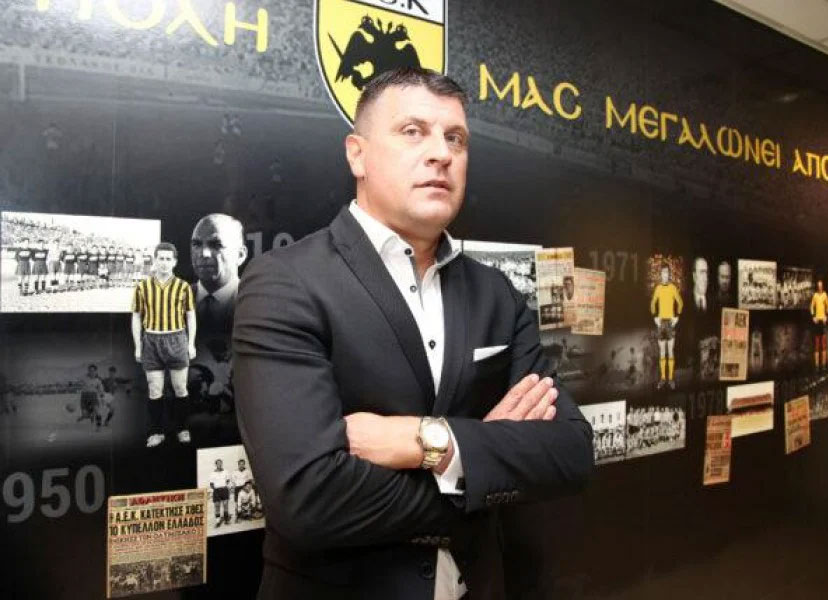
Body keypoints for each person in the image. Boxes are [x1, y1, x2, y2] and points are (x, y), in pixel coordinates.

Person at [233, 68, 593, 600]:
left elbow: (569, 452)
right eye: (412, 131)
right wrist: (482, 470)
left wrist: (425, 441)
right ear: (357, 155)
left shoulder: (497, 294)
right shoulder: (286, 282)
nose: (441, 153)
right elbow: (308, 500)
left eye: (456, 138)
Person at [132, 242, 196, 447]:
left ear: (175, 262)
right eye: (161, 258)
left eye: (169, 259)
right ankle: (157, 432)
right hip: (151, 340)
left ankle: (182, 429)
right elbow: (136, 317)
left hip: (177, 339)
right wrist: (137, 345)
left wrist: (191, 344)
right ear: (155, 260)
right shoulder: (143, 287)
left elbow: (190, 316)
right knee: (154, 390)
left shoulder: (183, 287)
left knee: (180, 387)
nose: (164, 263)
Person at [190, 214, 248, 339]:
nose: (204, 253)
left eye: (216, 245)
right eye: (197, 244)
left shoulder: (257, 304)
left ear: (240, 255)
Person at [650, 263, 683, 390]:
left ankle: (671, 379)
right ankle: (663, 378)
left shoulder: (673, 288)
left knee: (670, 351)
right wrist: (655, 317)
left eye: (667, 272)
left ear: (669, 274)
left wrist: (677, 317)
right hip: (661, 323)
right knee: (662, 353)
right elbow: (652, 303)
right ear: (661, 274)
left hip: (670, 323)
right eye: (663, 272)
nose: (665, 274)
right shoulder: (658, 288)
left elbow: (680, 302)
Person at [810, 280, 828, 371]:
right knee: (817, 344)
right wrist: (813, 316)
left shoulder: (825, 295)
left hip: (823, 321)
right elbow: (811, 306)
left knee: (823, 344)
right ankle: (817, 366)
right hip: (817, 321)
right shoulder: (815, 295)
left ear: (823, 286)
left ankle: (824, 364)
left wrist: (826, 316)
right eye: (818, 285)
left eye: (821, 285)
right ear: (817, 287)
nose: (820, 287)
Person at [208, 458, 231, 526]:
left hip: (224, 490)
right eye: (218, 463)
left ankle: (226, 520)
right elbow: (211, 484)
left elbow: (228, 480)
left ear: (222, 464)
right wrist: (216, 489)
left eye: (220, 463)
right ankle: (218, 522)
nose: (219, 464)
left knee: (225, 505)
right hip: (216, 491)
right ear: (216, 464)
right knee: (217, 506)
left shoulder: (226, 471)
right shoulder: (212, 473)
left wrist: (224, 486)